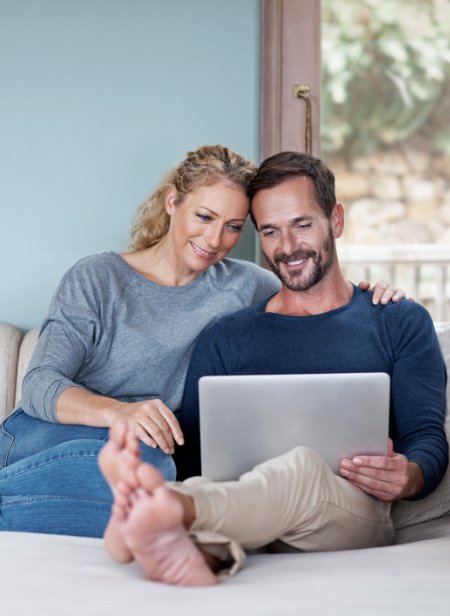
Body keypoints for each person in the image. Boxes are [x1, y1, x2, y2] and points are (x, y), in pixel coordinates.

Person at [0, 145, 403, 538]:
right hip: (45, 440)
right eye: (205, 216)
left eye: (232, 227)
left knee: (169, 478)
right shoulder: (98, 278)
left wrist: (371, 298)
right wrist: (119, 414)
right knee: (155, 469)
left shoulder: (247, 286)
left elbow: (315, 297)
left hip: (148, 453)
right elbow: (38, 384)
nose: (214, 240)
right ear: (173, 201)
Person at [98, 151, 448, 586]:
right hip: (251, 509)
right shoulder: (226, 337)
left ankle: (168, 508)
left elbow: (428, 437)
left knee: (299, 469)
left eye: (302, 224)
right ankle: (191, 544)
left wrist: (409, 477)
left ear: (335, 221)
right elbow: (194, 455)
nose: (288, 247)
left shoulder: (396, 319)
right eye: (270, 231)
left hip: (352, 515)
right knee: (232, 492)